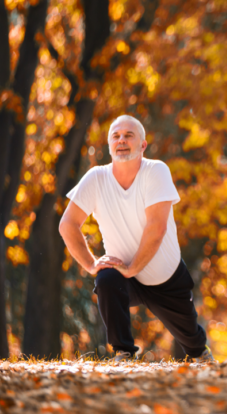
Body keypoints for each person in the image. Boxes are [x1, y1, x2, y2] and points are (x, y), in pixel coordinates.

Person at [60, 115, 213, 362]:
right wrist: (91, 264)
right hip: (123, 276)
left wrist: (133, 268)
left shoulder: (156, 171)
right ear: (109, 145)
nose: (121, 140)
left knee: (194, 345)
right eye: (116, 136)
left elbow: (157, 228)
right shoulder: (96, 178)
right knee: (106, 278)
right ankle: (124, 353)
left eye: (129, 135)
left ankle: (201, 353)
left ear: (143, 145)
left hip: (166, 280)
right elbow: (67, 224)